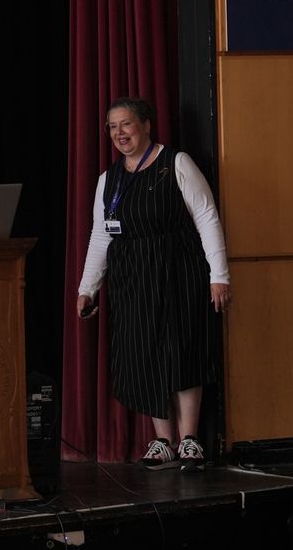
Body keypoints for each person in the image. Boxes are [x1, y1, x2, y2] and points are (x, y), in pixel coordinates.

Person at [76, 97, 232, 472]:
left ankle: (190, 438)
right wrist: (87, 288)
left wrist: (219, 275)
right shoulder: (108, 180)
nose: (119, 134)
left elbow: (207, 217)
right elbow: (101, 236)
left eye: (126, 124)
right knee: (143, 354)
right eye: (112, 127)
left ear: (146, 125)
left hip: (178, 268)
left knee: (181, 348)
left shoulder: (175, 163)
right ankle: (163, 440)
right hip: (132, 277)